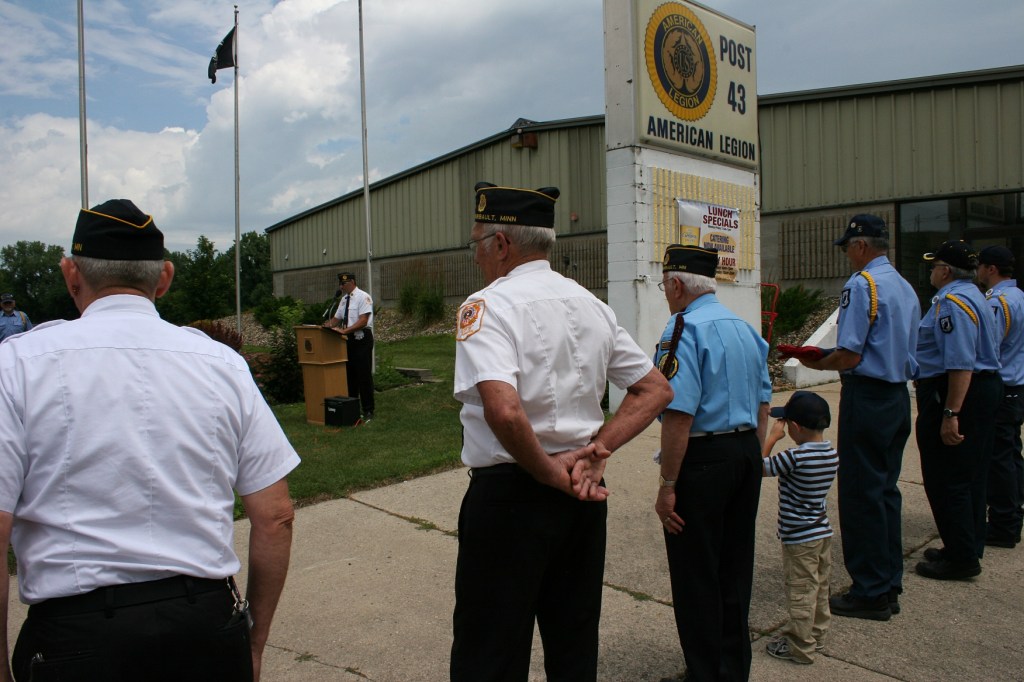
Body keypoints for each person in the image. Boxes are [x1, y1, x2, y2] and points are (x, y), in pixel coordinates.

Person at [0, 199, 300, 681]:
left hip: (77, 639)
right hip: (204, 628)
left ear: (71, 274)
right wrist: (253, 643)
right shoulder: (221, 365)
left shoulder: (17, 366)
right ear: (164, 278)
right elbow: (276, 515)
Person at [450, 181, 672, 681]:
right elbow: (654, 390)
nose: (476, 256)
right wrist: (597, 451)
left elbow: (505, 412)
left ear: (502, 244)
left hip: (512, 496)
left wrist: (549, 472)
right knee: (574, 643)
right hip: (582, 493)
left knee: (489, 651)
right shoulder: (591, 304)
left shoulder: (487, 306)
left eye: (477, 243)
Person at [783, 214, 918, 619]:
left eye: (847, 248)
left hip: (868, 396)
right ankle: (888, 584)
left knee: (861, 495)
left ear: (860, 245)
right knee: (885, 492)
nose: (846, 255)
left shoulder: (862, 284)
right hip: (897, 396)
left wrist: (815, 361)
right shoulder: (904, 285)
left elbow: (850, 354)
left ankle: (870, 591)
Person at [654, 244, 771, 682]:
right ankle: (732, 668)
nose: (667, 295)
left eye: (665, 287)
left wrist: (668, 484)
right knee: (735, 568)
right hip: (745, 452)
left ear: (677, 285)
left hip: (703, 459)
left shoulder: (681, 329)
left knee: (697, 572)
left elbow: (678, 414)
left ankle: (704, 672)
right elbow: (764, 403)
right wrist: (751, 458)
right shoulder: (744, 327)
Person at [915, 240, 1001, 580]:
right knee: (969, 475)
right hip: (979, 389)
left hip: (958, 392)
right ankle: (964, 545)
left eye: (934, 266)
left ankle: (961, 559)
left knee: (947, 476)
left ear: (946, 271)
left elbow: (960, 362)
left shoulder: (952, 302)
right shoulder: (975, 296)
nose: (931, 272)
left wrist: (951, 414)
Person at [761, 391, 838, 665]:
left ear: (795, 427)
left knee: (801, 591)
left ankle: (800, 647)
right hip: (822, 532)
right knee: (819, 587)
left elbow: (758, 467)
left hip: (799, 538)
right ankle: (816, 635)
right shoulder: (831, 453)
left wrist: (772, 438)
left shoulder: (795, 457)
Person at [977, 245, 1024, 549]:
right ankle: (1014, 512)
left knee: (999, 459)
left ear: (991, 269)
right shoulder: (1018, 296)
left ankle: (1004, 523)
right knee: (1011, 453)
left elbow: (989, 347)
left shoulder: (997, 303)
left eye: (980, 266)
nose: (978, 271)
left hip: (1003, 387)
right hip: (1017, 385)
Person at [324, 272, 375, 420]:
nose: (341, 287)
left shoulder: (363, 297)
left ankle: (368, 409)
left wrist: (344, 331)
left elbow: (363, 321)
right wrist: (324, 326)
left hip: (362, 339)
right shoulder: (344, 299)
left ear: (352, 282)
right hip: (348, 340)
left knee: (363, 375)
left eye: (343, 284)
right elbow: (336, 319)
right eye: (340, 284)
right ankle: (353, 409)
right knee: (350, 376)